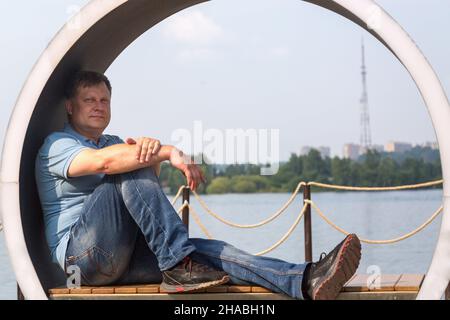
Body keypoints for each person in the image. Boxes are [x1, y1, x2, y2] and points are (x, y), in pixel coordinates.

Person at [35, 70, 361, 300]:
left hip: (124, 258)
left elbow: (144, 193)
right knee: (129, 166)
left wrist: (153, 159)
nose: (98, 106)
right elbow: (106, 164)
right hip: (83, 260)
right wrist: (167, 151)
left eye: (104, 100)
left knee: (211, 252)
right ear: (70, 106)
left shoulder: (114, 142)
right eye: (89, 99)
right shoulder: (57, 145)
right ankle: (178, 263)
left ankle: (304, 279)